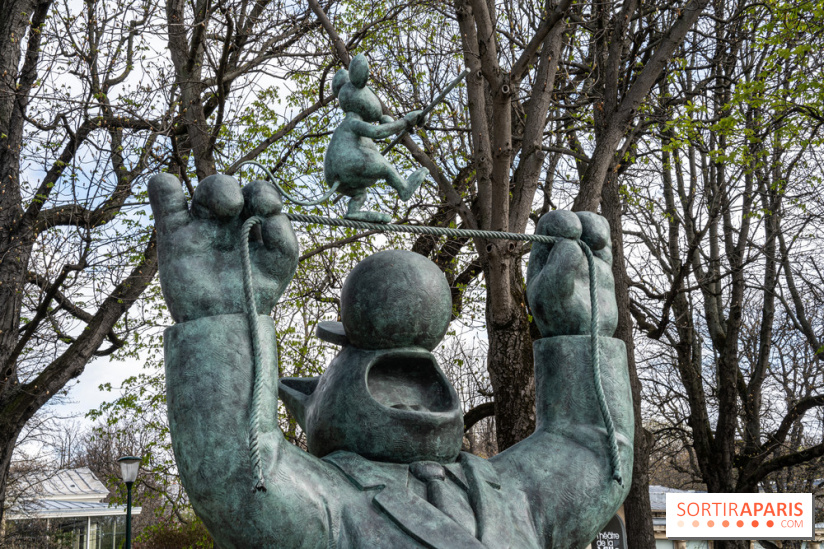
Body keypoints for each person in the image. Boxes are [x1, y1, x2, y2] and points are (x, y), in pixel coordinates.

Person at [148, 171, 633, 549]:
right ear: (317, 402)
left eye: (413, 376)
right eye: (386, 375)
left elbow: (589, 446)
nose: (408, 396)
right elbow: (237, 475)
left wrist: (580, 335)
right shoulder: (329, 504)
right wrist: (224, 318)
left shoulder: (519, 495)